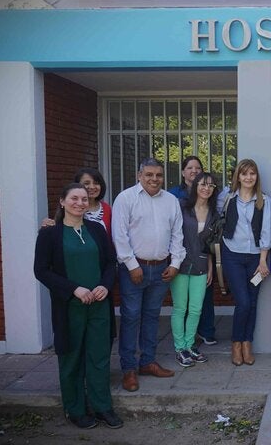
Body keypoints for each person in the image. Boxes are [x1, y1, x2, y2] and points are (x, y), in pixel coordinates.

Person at [34, 183, 123, 429]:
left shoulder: (96, 229)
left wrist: (105, 285)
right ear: (62, 202)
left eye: (84, 199)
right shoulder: (49, 234)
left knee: (99, 357)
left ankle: (102, 406)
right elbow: (41, 271)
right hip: (69, 306)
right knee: (71, 358)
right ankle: (75, 408)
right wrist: (74, 289)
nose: (80, 203)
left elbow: (110, 262)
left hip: (99, 305)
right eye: (74, 198)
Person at [112, 158, 186, 392]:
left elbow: (177, 234)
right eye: (149, 175)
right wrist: (132, 265)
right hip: (134, 269)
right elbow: (119, 235)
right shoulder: (125, 199)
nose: (154, 179)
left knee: (152, 316)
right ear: (139, 175)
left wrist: (175, 263)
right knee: (131, 317)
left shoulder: (171, 200)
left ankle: (148, 362)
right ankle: (129, 369)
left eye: (158, 175)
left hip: (161, 268)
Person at [221, 159, 271, 366]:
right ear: (238, 176)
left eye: (252, 173)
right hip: (232, 255)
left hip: (255, 258)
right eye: (244, 173)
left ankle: (247, 344)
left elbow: (267, 230)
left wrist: (263, 260)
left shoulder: (264, 200)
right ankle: (236, 343)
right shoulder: (227, 197)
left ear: (256, 176)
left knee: (252, 302)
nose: (248, 177)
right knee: (243, 301)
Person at [170, 172, 218, 367]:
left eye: (211, 185)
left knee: (196, 309)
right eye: (203, 184)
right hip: (180, 264)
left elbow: (210, 244)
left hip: (201, 265)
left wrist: (210, 268)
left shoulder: (213, 213)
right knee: (180, 308)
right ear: (196, 186)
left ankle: (190, 345)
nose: (206, 188)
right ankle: (179, 347)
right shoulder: (181, 207)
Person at [41, 168, 113, 237]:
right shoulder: (73, 208)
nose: (92, 187)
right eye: (86, 183)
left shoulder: (107, 209)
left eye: (96, 183)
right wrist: (49, 225)